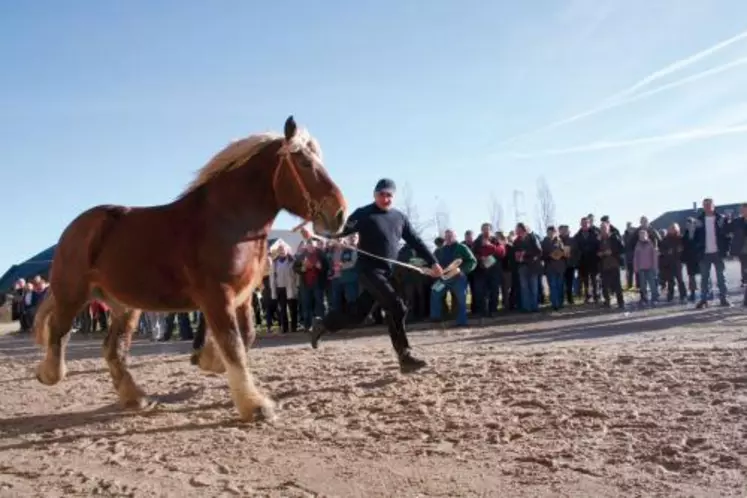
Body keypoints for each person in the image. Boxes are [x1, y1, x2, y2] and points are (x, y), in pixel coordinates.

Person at [300, 178, 443, 373]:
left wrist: (433, 261)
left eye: (389, 195)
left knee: (358, 314)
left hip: (388, 272)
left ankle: (323, 324)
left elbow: (416, 241)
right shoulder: (363, 214)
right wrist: (317, 232)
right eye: (381, 194)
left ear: (393, 196)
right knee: (397, 307)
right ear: (375, 195)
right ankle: (405, 356)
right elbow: (339, 231)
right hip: (369, 271)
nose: (385, 198)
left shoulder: (399, 218)